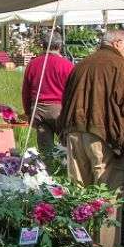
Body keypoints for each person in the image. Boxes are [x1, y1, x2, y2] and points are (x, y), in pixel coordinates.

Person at [60, 28, 124, 192]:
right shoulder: (123, 68)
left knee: (80, 195)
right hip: (106, 138)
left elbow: (65, 100)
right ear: (118, 44)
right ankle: (106, 219)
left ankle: (85, 218)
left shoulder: (81, 65)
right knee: (108, 196)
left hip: (75, 133)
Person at [21, 31, 75, 159]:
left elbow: (26, 91)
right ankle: (65, 173)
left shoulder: (33, 64)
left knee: (46, 150)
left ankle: (48, 173)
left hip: (39, 110)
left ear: (43, 45)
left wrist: (28, 112)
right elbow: (74, 91)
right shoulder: (67, 65)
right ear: (60, 46)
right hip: (59, 110)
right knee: (68, 147)